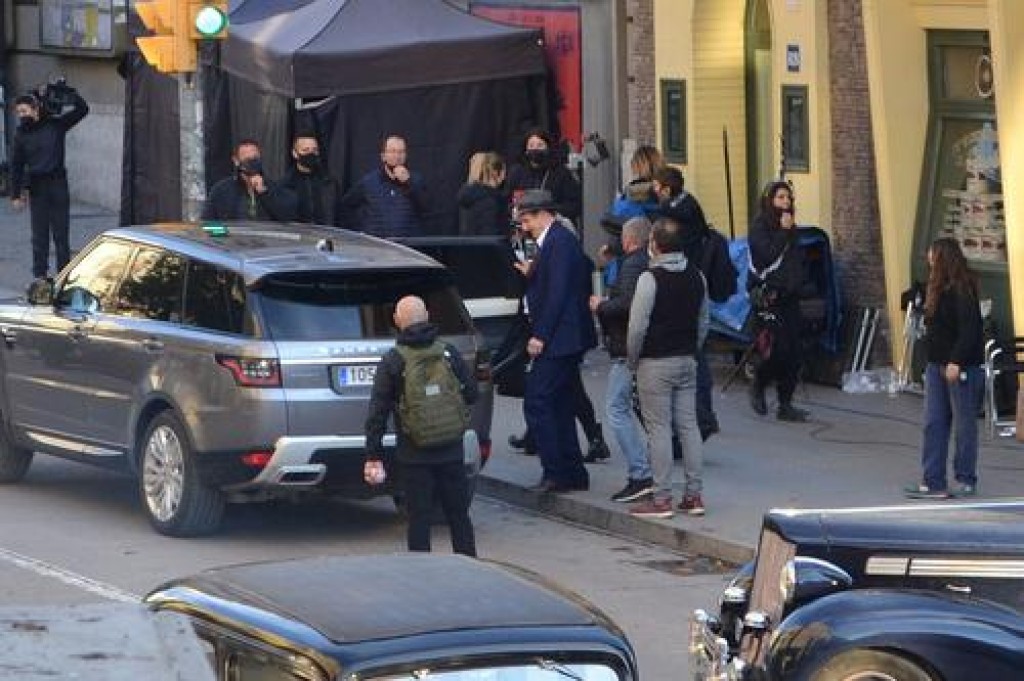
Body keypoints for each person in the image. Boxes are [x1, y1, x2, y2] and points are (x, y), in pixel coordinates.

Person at [363, 295, 478, 556]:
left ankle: (422, 571)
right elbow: (471, 393)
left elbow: (377, 413)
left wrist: (373, 455)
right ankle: (469, 566)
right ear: (427, 315)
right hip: (451, 451)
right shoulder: (448, 353)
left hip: (414, 455)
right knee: (458, 515)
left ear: (396, 321)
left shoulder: (393, 360)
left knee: (419, 519)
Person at [514, 189, 595, 492]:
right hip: (565, 337)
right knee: (560, 403)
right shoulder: (557, 241)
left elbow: (558, 294)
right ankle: (572, 471)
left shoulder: (559, 242)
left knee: (538, 400)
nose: (525, 228)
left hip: (560, 338)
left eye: (527, 220)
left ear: (542, 215)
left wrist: (540, 336)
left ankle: (556, 471)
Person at [626, 217, 707, 518]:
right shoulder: (697, 276)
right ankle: (694, 495)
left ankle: (661, 498)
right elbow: (703, 321)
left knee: (658, 428)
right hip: (687, 359)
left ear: (655, 245)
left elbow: (637, 327)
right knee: (688, 426)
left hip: (655, 362)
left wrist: (633, 360)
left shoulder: (650, 279)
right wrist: (693, 349)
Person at [904, 238, 984, 500]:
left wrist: (956, 360)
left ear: (941, 258)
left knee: (964, 425)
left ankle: (965, 478)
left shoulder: (962, 289)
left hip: (959, 366)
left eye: (932, 253)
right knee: (934, 423)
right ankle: (933, 479)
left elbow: (970, 330)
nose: (928, 257)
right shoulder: (936, 287)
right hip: (936, 363)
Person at [651, 166, 720, 441]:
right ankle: (700, 417)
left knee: (693, 357)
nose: (654, 192)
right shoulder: (685, 204)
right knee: (694, 355)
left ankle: (701, 418)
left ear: (666, 189)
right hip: (691, 281)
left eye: (657, 187)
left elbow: (665, 218)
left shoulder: (678, 211)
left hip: (685, 283)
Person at [591, 217, 653, 503]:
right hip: (650, 349)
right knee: (654, 413)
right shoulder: (648, 261)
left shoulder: (632, 266)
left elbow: (627, 305)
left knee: (616, 407)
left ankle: (641, 474)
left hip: (628, 349)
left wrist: (601, 305)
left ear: (629, 240)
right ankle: (657, 474)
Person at [9, 85, 89, 281]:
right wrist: (16, 195)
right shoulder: (21, 134)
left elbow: (82, 110)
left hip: (58, 185)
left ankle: (64, 276)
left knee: (61, 235)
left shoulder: (56, 125)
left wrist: (69, 93)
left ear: (35, 109)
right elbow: (16, 165)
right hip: (37, 188)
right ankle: (40, 276)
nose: (21, 116)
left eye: (24, 111)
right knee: (40, 236)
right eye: (19, 112)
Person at [747, 181, 808, 422]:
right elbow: (767, 255)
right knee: (778, 350)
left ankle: (785, 403)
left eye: (788, 198)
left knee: (795, 352)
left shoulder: (792, 227)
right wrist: (783, 232)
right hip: (769, 296)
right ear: (769, 200)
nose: (786, 202)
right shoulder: (759, 227)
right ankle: (759, 382)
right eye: (780, 197)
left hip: (789, 296)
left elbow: (795, 259)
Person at [340, 134, 429, 237]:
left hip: (407, 244)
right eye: (392, 151)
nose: (397, 156)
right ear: (383, 156)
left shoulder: (416, 180)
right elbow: (347, 205)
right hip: (378, 244)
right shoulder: (369, 182)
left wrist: (408, 182)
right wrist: (362, 229)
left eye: (401, 152)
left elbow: (426, 208)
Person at [204, 139, 298, 221]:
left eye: (255, 158)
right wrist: (224, 233)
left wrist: (264, 192)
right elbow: (207, 224)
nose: (252, 162)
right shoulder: (221, 191)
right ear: (236, 161)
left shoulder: (275, 188)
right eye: (247, 159)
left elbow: (287, 218)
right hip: (233, 236)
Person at [506, 128, 582, 224]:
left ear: (548, 148)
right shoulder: (517, 173)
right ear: (525, 150)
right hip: (523, 225)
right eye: (531, 145)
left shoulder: (561, 173)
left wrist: (550, 211)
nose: (535, 149)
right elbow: (507, 201)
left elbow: (574, 205)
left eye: (540, 145)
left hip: (554, 225)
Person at [281, 133, 342, 226]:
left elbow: (339, 216)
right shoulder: (285, 186)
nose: (311, 154)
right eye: (305, 150)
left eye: (314, 150)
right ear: (294, 153)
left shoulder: (330, 183)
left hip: (326, 233)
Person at [457, 152, 510, 236]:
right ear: (496, 172)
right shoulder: (493, 201)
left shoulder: (468, 197)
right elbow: (491, 234)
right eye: (504, 171)